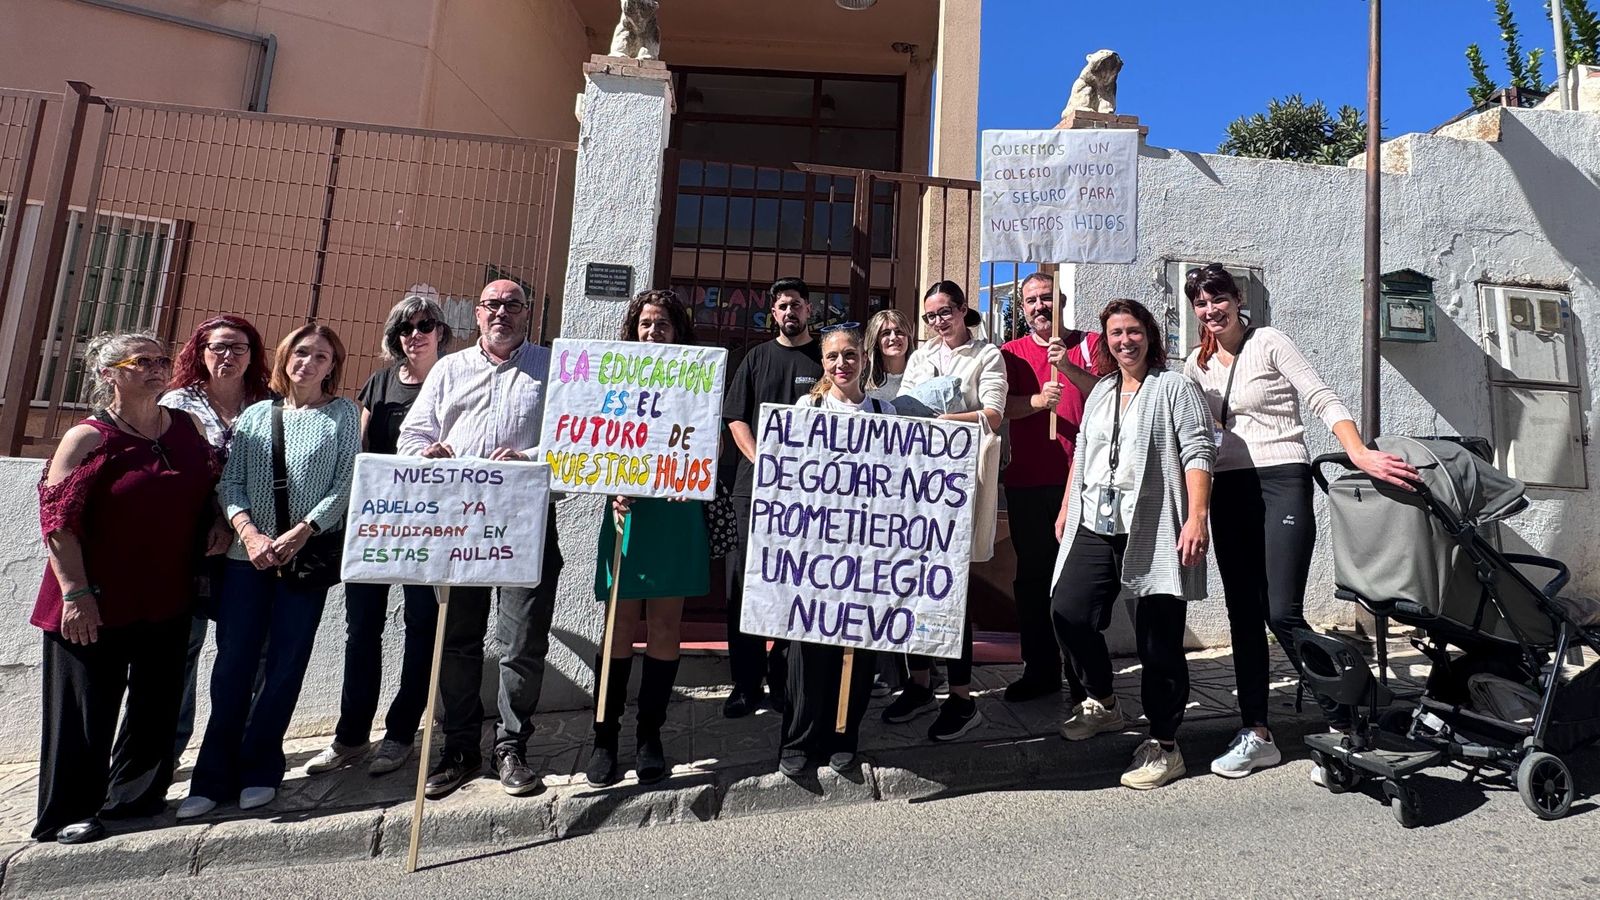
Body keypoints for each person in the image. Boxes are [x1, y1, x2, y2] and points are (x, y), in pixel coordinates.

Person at [1180, 264, 1417, 780]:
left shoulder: (1269, 342)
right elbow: (1195, 433)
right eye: (1200, 302)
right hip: (1229, 489)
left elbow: (1321, 396)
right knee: (1243, 615)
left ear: (1237, 299)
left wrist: (1358, 452)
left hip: (1282, 479)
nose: (1211, 310)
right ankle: (1257, 733)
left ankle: (1345, 719)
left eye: (1218, 298)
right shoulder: (1196, 365)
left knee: (1281, 612)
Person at [31, 333, 221, 844]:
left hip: (167, 593)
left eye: (163, 360)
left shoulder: (185, 425)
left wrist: (217, 522)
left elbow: (207, 485)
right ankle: (72, 810)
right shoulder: (87, 438)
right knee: (86, 710)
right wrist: (76, 593)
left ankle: (136, 799)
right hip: (94, 599)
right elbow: (58, 522)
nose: (158, 368)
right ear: (108, 374)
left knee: (157, 704)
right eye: (143, 361)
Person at [179, 324, 359, 818]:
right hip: (247, 559)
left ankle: (261, 767)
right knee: (232, 666)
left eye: (320, 356)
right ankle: (211, 776)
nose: (308, 363)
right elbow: (231, 482)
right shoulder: (258, 414)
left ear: (332, 366)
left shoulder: (342, 415)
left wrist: (302, 531)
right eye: (301, 353)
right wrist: (250, 533)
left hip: (304, 559)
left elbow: (345, 484)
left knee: (285, 665)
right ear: (285, 358)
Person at [396, 279, 564, 800]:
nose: (501, 313)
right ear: (476, 314)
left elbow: (573, 444)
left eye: (513, 305)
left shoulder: (555, 369)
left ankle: (511, 747)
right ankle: (460, 748)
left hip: (525, 523)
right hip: (459, 527)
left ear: (527, 313)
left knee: (522, 642)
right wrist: (426, 455)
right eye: (492, 305)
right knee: (457, 640)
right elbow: (412, 436)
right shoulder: (449, 369)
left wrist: (529, 460)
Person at [1051, 299, 1213, 791]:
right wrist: (1066, 506)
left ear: (1150, 335)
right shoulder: (1101, 390)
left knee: (1158, 641)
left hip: (1153, 526)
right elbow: (1084, 450)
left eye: (1134, 331)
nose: (1126, 341)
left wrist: (1197, 517)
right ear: (1106, 341)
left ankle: (1165, 745)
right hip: (1094, 524)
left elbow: (1198, 450)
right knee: (1067, 611)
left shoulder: (1174, 387)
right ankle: (1104, 701)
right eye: (1116, 333)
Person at [305, 294, 453, 778]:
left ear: (441, 331)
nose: (415, 334)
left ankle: (400, 734)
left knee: (422, 627)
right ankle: (350, 736)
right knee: (362, 627)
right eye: (405, 328)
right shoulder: (381, 382)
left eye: (425, 324)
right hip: (377, 523)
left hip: (431, 526)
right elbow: (361, 450)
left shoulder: (454, 379)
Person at [586, 290, 710, 787]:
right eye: (645, 324)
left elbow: (707, 441)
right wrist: (611, 486)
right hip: (628, 513)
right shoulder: (614, 377)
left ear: (677, 331)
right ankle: (604, 737)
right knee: (618, 626)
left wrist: (693, 475)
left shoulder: (697, 381)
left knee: (664, 626)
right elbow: (592, 441)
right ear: (633, 329)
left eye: (662, 324)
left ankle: (648, 735)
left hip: (676, 513)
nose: (653, 332)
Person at [881, 280, 1006, 741]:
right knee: (913, 583)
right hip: (919, 485)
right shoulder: (921, 356)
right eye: (931, 316)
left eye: (945, 312)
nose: (938, 322)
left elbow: (993, 414)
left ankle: (961, 696)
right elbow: (904, 410)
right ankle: (919, 684)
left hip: (960, 484)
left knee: (953, 590)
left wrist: (944, 422)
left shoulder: (987, 355)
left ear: (962, 309)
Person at [160, 314, 273, 766]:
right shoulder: (176, 404)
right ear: (200, 352)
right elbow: (173, 474)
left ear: (253, 355)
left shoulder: (267, 402)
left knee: (249, 649)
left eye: (239, 347)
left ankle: (238, 747)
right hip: (191, 542)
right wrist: (214, 518)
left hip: (250, 542)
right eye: (218, 347)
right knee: (182, 648)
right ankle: (166, 752)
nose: (228, 355)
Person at [778, 322, 889, 777]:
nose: (841, 363)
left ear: (863, 358)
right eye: (832, 356)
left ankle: (844, 733)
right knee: (808, 645)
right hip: (815, 546)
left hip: (865, 548)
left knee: (856, 644)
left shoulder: (885, 412)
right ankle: (799, 738)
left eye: (849, 355)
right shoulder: (808, 408)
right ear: (823, 363)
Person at [720, 276, 822, 718]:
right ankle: (745, 683)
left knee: (792, 584)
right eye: (782, 306)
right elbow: (735, 418)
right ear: (773, 313)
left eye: (796, 304)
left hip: (807, 495)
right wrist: (763, 460)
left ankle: (783, 681)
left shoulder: (826, 358)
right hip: (753, 489)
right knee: (743, 586)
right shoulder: (755, 358)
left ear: (809, 309)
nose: (789, 312)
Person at [1000, 272, 1100, 704]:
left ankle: (1082, 677)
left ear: (1061, 300)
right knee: (1033, 579)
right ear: (1023, 309)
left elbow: (1108, 394)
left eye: (1046, 298)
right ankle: (1040, 669)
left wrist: (1069, 368)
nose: (1039, 306)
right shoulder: (1011, 353)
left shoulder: (1090, 345)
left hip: (1080, 480)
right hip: (1027, 482)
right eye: (1031, 301)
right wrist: (1039, 402)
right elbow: (999, 407)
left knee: (1076, 583)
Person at [863, 308, 913, 405]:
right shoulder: (863, 380)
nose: (893, 337)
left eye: (899, 332)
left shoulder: (921, 375)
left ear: (908, 337)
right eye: (886, 333)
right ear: (876, 341)